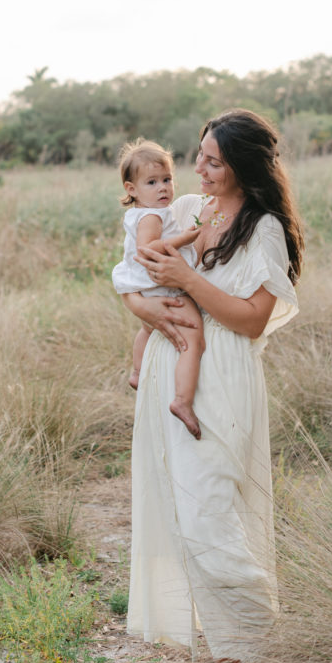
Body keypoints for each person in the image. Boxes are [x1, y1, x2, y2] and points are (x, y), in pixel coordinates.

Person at [121, 109, 304, 663]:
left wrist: (188, 282)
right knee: (183, 508)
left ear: (242, 166)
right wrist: (148, 309)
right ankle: (228, 654)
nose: (196, 168)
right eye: (198, 154)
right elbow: (134, 277)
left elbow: (251, 320)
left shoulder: (264, 228)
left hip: (222, 373)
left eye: (213, 162)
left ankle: (261, 653)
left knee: (212, 512)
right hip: (170, 363)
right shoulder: (185, 210)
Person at [112, 139, 205, 438]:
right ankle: (182, 401)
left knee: (148, 329)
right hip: (160, 287)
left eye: (167, 179)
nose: (163, 187)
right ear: (131, 189)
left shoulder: (145, 213)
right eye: (151, 182)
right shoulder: (152, 215)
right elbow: (147, 249)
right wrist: (185, 239)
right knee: (193, 339)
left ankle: (138, 371)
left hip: (146, 288)